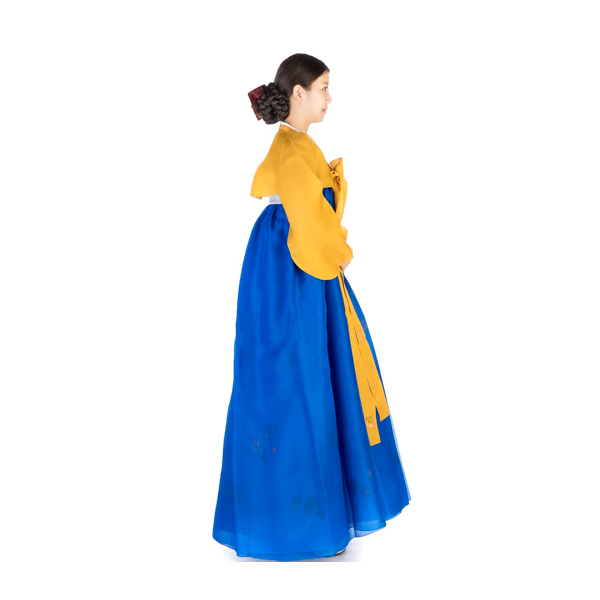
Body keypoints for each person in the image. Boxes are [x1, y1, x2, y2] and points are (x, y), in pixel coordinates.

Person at [212, 53, 411, 561]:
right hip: (294, 271)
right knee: (299, 380)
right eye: (323, 87)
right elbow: (309, 222)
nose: (329, 97)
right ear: (298, 93)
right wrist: (340, 252)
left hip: (290, 268)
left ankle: (296, 518)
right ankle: (300, 526)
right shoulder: (292, 150)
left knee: (304, 378)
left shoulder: (296, 145)